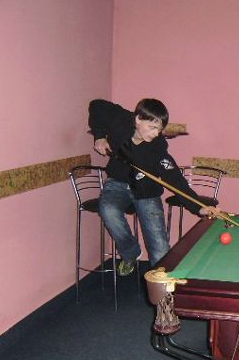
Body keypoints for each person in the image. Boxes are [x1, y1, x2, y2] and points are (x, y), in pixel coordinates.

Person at [88, 98, 218, 275]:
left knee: (160, 248)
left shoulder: (157, 148)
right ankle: (130, 253)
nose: (156, 133)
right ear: (138, 119)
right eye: (152, 127)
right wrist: (99, 136)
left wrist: (199, 207)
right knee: (108, 210)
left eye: (159, 129)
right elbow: (96, 105)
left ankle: (163, 288)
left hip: (146, 191)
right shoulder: (121, 120)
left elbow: (175, 180)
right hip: (117, 183)